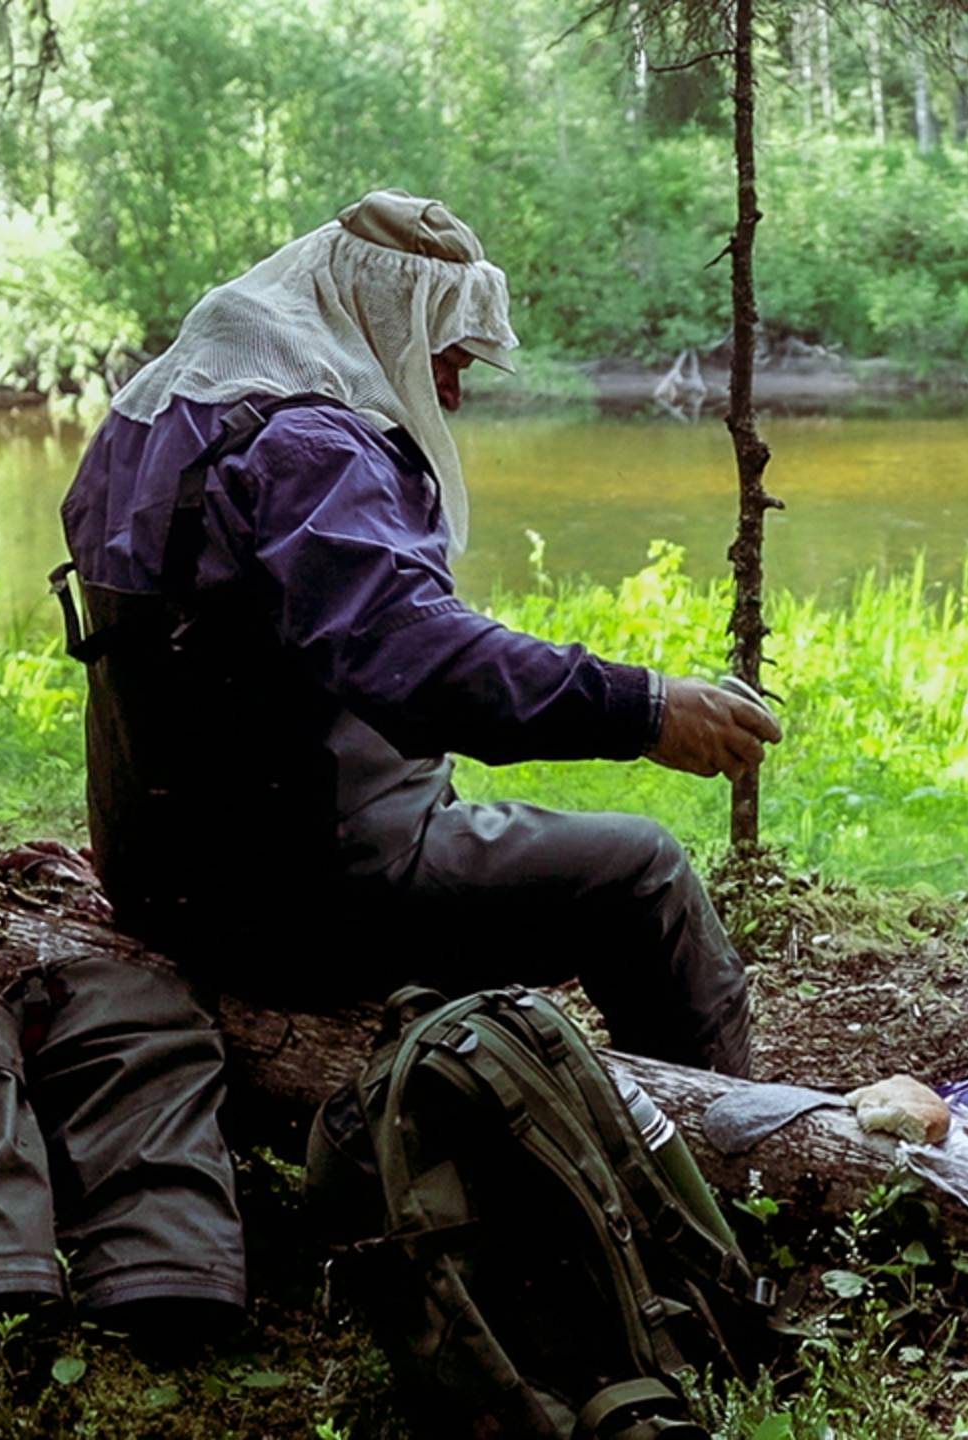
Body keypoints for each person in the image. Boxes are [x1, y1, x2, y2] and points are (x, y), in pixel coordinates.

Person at [55, 190, 776, 1076]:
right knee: (642, 872)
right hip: (306, 905)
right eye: (443, 356)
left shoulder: (148, 416)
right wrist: (646, 708)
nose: (452, 391)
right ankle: (730, 1151)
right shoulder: (315, 448)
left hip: (157, 880)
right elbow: (424, 663)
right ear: (378, 314)